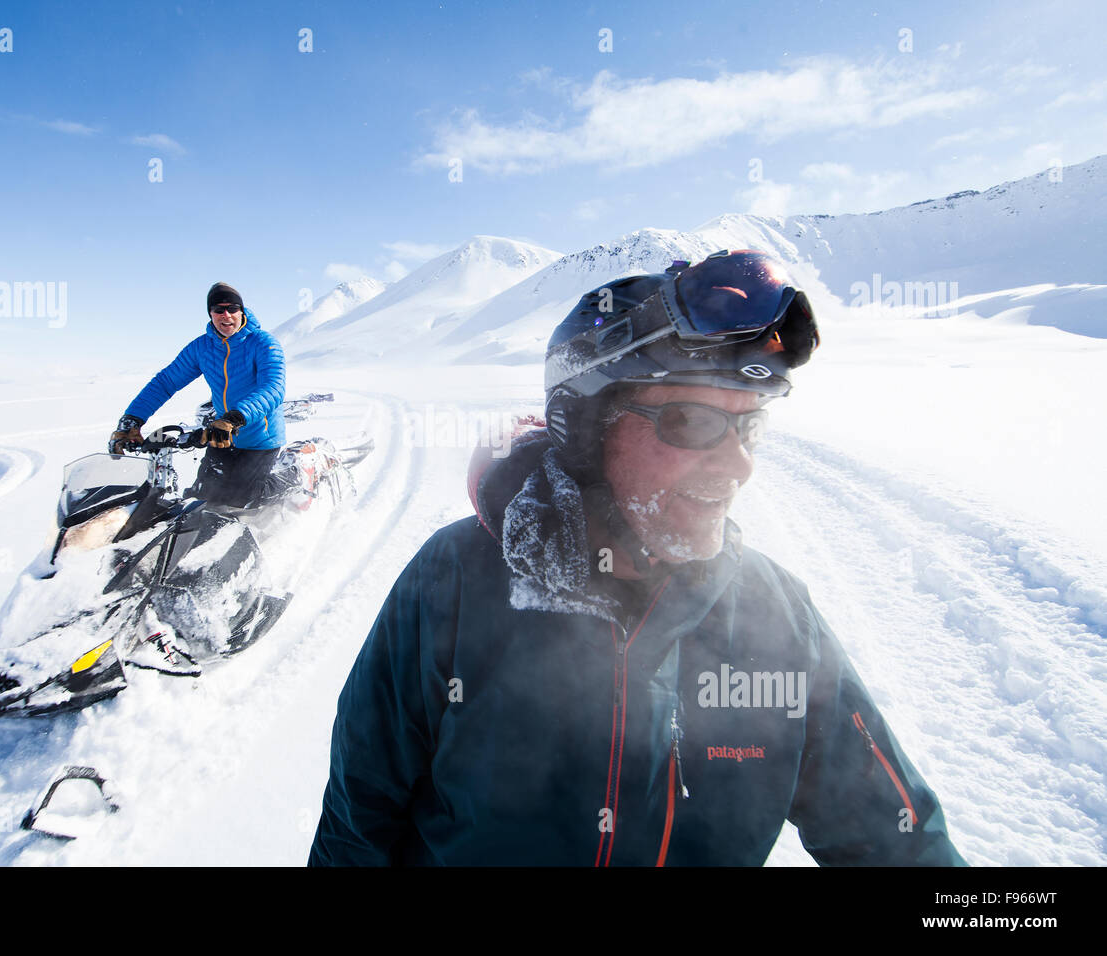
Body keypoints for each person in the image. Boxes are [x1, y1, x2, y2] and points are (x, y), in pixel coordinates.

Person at [308, 250, 966, 866]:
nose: (738, 465)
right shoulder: (454, 578)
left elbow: (901, 841)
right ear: (589, 430)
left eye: (749, 426)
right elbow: (358, 816)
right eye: (694, 422)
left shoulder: (779, 624)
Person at [109, 282, 287, 507]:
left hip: (260, 438)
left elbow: (273, 387)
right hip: (222, 436)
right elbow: (166, 382)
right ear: (210, 313)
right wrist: (132, 419)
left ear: (241, 311)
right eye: (218, 309)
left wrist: (234, 418)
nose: (226, 315)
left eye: (232, 308)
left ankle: (290, 479)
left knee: (241, 500)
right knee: (201, 498)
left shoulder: (262, 343)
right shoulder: (202, 348)